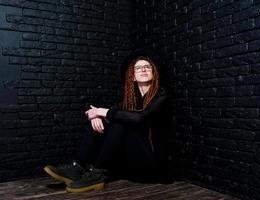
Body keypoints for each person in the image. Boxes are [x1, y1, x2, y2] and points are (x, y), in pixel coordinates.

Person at [43, 53, 171, 193]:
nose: (143, 70)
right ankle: (77, 167)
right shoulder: (130, 99)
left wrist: (102, 112)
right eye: (138, 68)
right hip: (131, 160)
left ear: (154, 72)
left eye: (147, 67)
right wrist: (96, 116)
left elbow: (139, 117)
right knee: (105, 120)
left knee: (120, 122)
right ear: (133, 76)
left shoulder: (161, 94)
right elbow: (113, 112)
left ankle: (97, 174)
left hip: (150, 162)